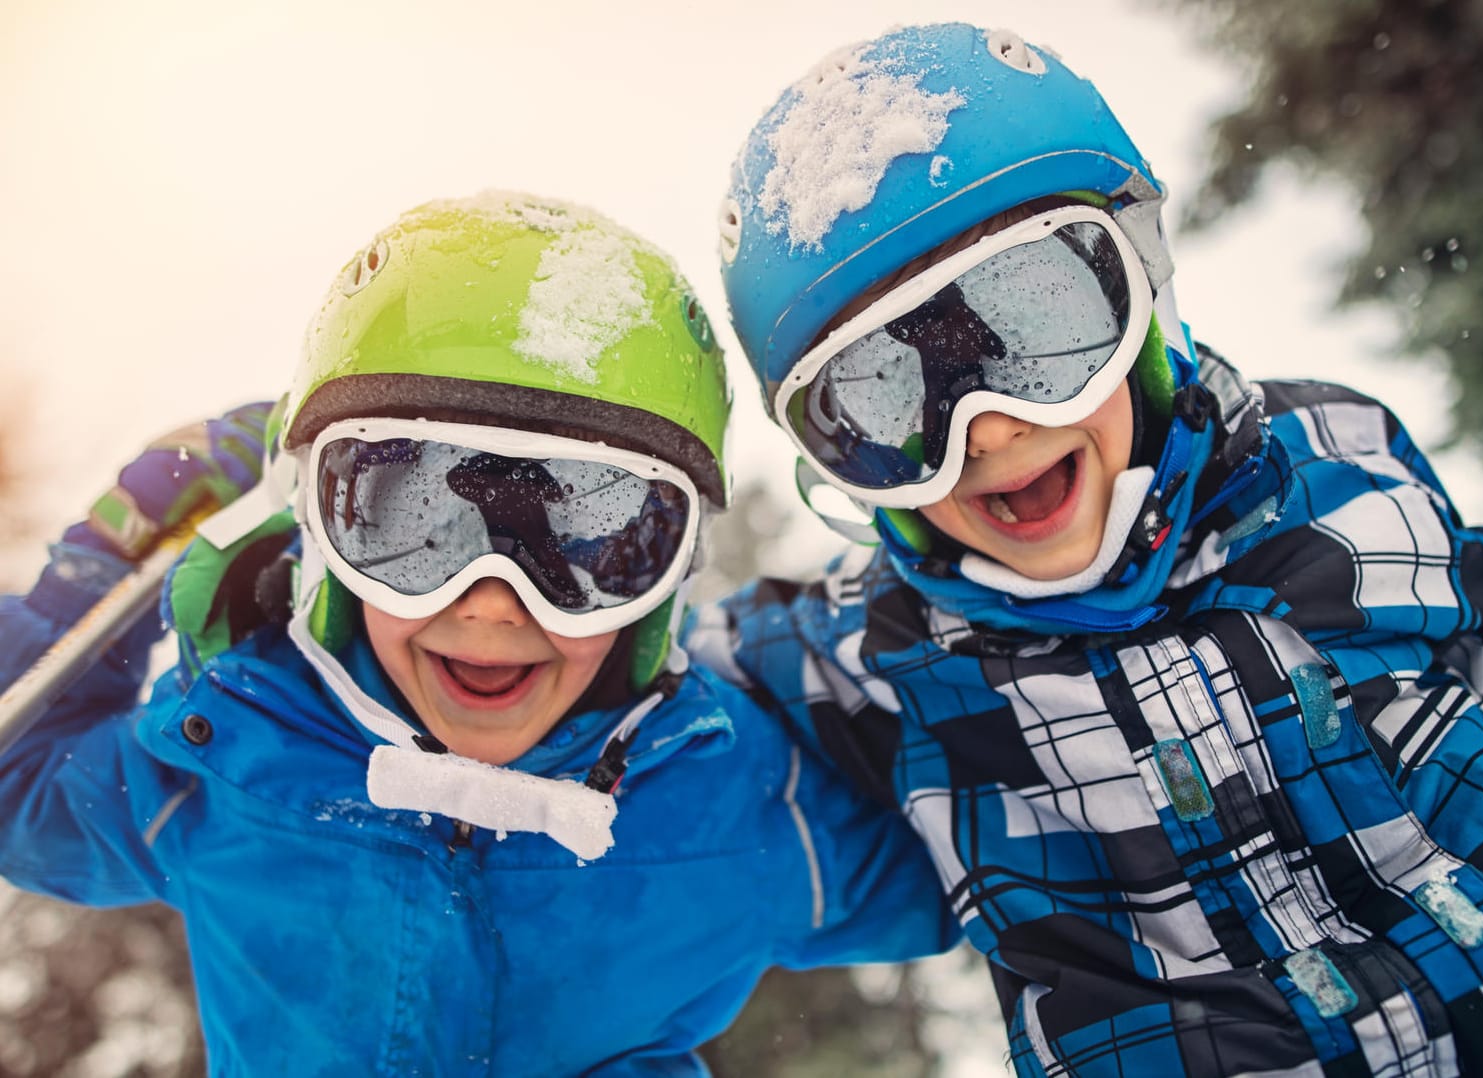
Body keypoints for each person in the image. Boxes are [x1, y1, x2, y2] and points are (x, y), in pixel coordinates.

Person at [693, 22, 1483, 1077]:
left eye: (1036, 326)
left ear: (1142, 290)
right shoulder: (874, 653)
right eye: (888, 395)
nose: (985, 427)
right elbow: (630, 695)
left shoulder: (1331, 470)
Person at [0, 192, 955, 1075]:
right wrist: (88, 581)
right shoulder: (232, 765)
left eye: (590, 544)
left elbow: (985, 867)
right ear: (325, 539)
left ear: (661, 585)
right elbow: (18, 792)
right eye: (415, 523)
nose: (493, 602)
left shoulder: (738, 803)